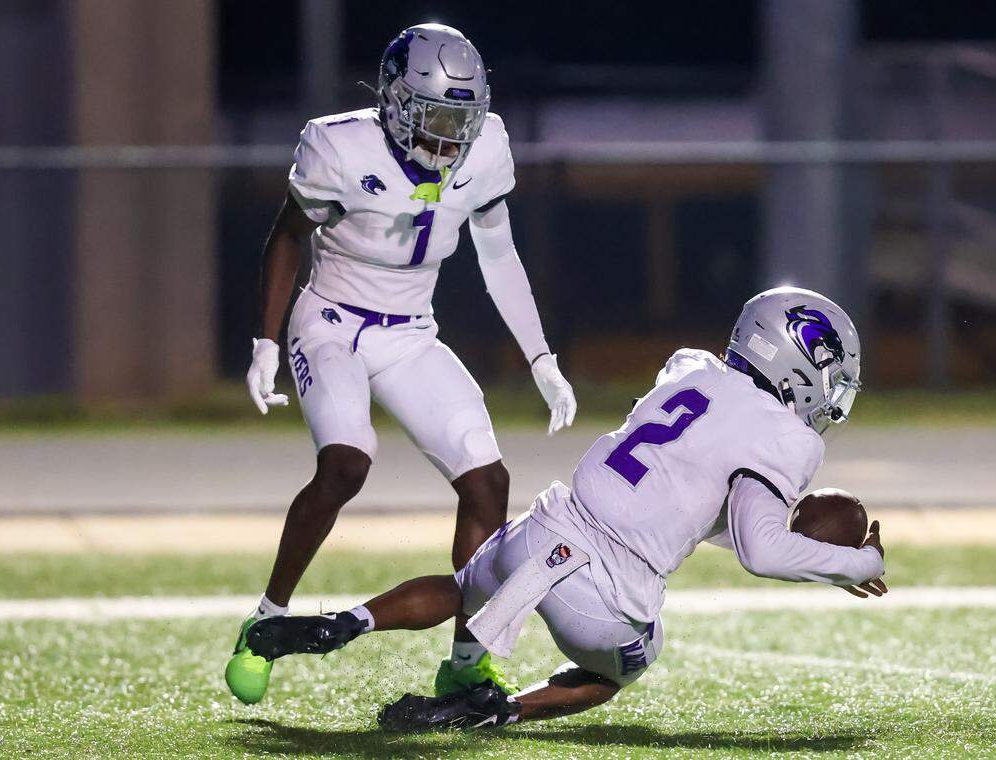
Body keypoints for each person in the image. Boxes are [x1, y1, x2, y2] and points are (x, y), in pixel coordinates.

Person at [244, 286, 887, 729]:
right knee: (631, 664)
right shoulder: (787, 436)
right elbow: (762, 547)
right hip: (604, 597)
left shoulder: (692, 372)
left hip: (548, 527)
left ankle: (345, 623)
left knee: (465, 586)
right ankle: (500, 710)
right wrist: (855, 563)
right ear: (798, 362)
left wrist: (824, 554)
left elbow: (689, 501)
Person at [225, 23, 577, 705]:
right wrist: (266, 341)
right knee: (347, 465)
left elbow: (498, 254)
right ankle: (265, 618)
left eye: (462, 119)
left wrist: (540, 356)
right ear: (394, 99)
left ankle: (468, 661)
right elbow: (287, 235)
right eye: (437, 115)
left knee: (488, 483)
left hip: (411, 331)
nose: (450, 135)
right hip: (331, 320)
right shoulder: (337, 145)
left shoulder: (487, 148)